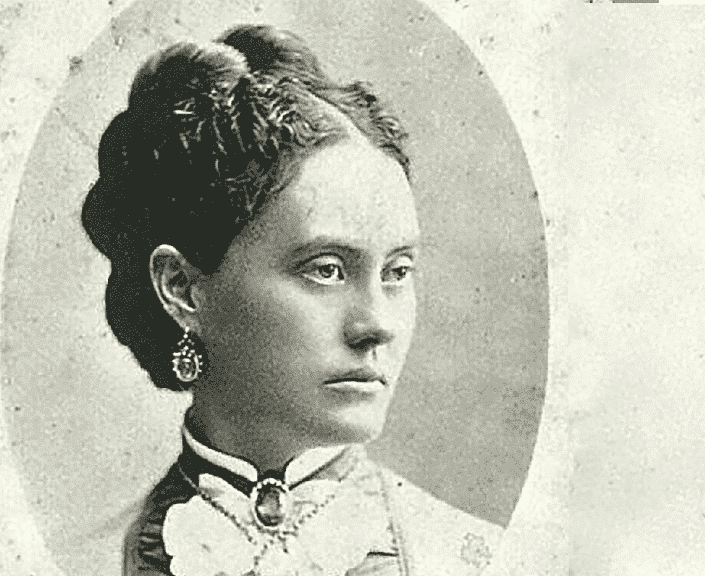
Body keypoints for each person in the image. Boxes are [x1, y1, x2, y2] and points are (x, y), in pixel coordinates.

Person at [80, 24, 502, 576]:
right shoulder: (80, 562)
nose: (377, 324)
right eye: (326, 270)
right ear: (181, 289)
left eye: (398, 271)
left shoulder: (474, 558)